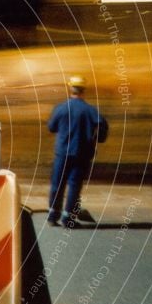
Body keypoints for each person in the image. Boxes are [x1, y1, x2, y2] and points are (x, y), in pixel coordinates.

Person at [47, 75, 109, 227]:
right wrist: (98, 139)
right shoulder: (90, 110)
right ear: (83, 91)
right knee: (74, 185)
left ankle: (52, 216)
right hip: (82, 154)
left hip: (62, 153)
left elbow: (51, 127)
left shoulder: (60, 108)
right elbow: (102, 125)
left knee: (57, 184)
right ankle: (68, 218)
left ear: (70, 88)